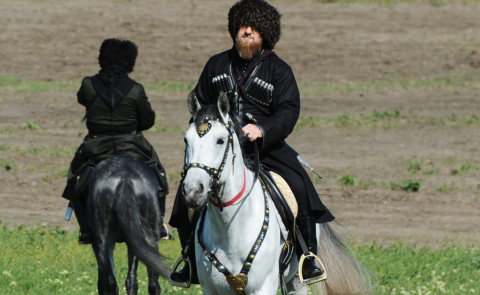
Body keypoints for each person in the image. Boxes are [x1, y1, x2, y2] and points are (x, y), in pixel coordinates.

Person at [169, 0, 334, 285]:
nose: (247, 32)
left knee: (300, 186)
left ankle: (309, 258)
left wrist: (261, 129)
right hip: (221, 150)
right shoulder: (216, 65)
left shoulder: (279, 70)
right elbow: (201, 108)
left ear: (265, 33)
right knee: (187, 193)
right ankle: (189, 260)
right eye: (243, 26)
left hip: (264, 149)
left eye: (254, 28)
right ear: (234, 29)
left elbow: (289, 111)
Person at [62, 38, 169, 244]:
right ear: (130, 61)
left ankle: (85, 230)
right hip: (133, 145)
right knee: (158, 174)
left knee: (73, 178)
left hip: (95, 147)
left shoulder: (88, 84)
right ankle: (158, 224)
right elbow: (148, 121)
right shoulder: (136, 88)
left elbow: (81, 99)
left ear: (102, 58)